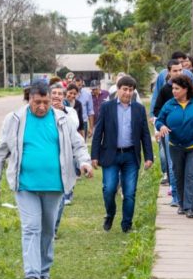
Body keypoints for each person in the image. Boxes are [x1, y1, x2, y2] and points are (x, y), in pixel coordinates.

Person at [0, 81, 93, 279]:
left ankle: (44, 272)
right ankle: (32, 273)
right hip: (25, 184)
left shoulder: (62, 119)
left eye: (46, 102)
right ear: (29, 99)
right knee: (31, 227)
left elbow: (77, 145)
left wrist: (85, 162)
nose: (42, 107)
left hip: (54, 185)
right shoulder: (15, 119)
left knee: (47, 230)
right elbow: (1, 151)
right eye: (37, 102)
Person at [91, 74, 154, 233]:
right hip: (111, 155)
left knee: (130, 192)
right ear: (118, 90)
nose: (127, 93)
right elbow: (98, 132)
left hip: (130, 156)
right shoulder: (107, 107)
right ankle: (110, 213)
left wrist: (148, 157)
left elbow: (145, 134)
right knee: (109, 189)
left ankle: (127, 224)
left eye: (130, 90)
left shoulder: (139, 109)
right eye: (124, 89)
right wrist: (94, 155)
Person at [155, 74, 193, 218]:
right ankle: (182, 205)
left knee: (191, 174)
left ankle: (190, 208)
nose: (174, 91)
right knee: (179, 175)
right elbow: (159, 120)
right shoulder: (169, 104)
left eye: (177, 88)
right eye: (173, 88)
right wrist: (162, 126)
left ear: (186, 89)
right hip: (175, 145)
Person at [50, 83, 81, 237]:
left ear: (63, 97)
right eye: (53, 93)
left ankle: (54, 229)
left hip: (65, 158)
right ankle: (47, 227)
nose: (56, 96)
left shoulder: (70, 112)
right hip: (48, 160)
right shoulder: (43, 112)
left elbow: (75, 126)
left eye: (59, 93)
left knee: (61, 196)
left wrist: (62, 111)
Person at [153, 59, 183, 207]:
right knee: (172, 163)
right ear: (169, 72)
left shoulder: (190, 88)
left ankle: (186, 197)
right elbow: (157, 110)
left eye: (180, 70)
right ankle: (176, 196)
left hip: (188, 133)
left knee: (186, 165)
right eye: (175, 70)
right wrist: (163, 123)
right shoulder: (165, 90)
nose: (178, 73)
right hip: (169, 132)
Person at [149, 51, 193, 119]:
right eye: (180, 61)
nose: (182, 64)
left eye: (183, 61)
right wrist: (152, 115)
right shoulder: (162, 76)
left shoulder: (189, 74)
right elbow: (156, 95)